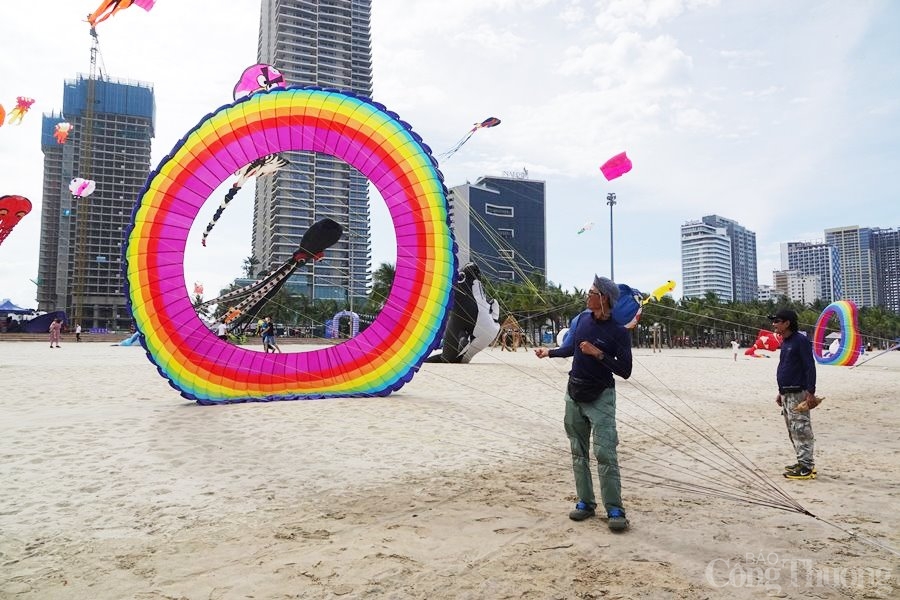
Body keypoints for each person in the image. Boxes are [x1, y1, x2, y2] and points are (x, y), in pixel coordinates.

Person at [534, 275, 633, 531]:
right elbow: (571, 349)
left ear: (604, 299)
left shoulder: (619, 332)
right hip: (574, 391)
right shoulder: (581, 321)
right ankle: (586, 503)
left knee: (604, 453)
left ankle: (614, 508)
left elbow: (625, 370)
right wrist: (550, 353)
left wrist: (598, 353)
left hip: (601, 395)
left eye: (591, 292)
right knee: (578, 452)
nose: (586, 296)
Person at [769, 308, 817, 480]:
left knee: (801, 429)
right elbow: (785, 367)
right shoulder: (786, 341)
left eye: (777, 321)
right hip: (786, 393)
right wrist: (780, 392)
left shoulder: (800, 341)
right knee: (792, 430)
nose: (773, 324)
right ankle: (801, 460)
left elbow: (809, 367)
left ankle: (807, 467)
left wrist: (810, 392)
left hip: (798, 393)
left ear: (787, 323)